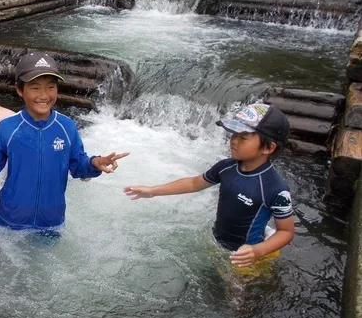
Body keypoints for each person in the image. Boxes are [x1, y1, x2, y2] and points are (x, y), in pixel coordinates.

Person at [0, 51, 129, 230]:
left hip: (51, 223)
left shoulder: (66, 126)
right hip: (9, 221)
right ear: (19, 90)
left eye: (51, 87)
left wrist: (95, 163)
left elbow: (78, 167)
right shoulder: (8, 128)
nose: (44, 95)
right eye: (35, 87)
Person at [124, 103, 295, 269]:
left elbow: (286, 232)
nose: (234, 141)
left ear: (268, 148)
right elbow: (193, 183)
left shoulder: (275, 188)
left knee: (235, 295)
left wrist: (258, 251)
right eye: (233, 134)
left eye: (243, 137)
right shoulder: (226, 167)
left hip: (246, 255)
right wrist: (153, 191)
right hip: (219, 241)